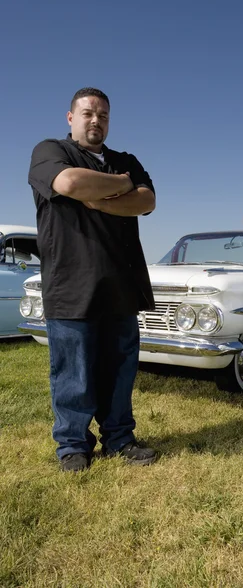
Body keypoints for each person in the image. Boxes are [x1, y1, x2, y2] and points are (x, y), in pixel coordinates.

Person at [28, 87, 158, 471]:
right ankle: (72, 445)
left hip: (121, 281)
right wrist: (121, 185)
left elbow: (147, 201)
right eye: (87, 113)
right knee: (73, 371)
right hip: (71, 284)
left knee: (120, 370)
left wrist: (101, 195)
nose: (95, 120)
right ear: (71, 118)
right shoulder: (49, 152)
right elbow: (69, 184)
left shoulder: (125, 159)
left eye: (102, 114)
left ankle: (120, 438)